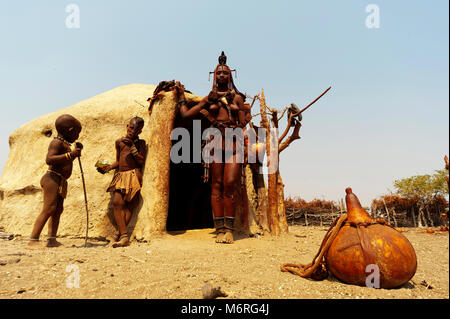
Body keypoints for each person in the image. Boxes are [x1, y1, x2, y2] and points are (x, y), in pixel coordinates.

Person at [176, 52, 249, 244]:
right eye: (219, 73)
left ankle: (230, 229)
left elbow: (243, 123)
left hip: (234, 141)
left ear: (230, 76)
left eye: (225, 73)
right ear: (214, 76)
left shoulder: (238, 98)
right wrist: (182, 96)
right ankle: (220, 229)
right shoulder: (210, 98)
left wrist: (236, 110)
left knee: (231, 183)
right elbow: (186, 114)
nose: (222, 76)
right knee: (216, 185)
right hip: (216, 142)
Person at [26, 114, 83, 250]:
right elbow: (50, 159)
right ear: (69, 130)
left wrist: (75, 154)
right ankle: (33, 240)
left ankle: (52, 240)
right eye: (77, 133)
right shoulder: (56, 143)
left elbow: (65, 160)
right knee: (49, 208)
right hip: (52, 178)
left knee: (58, 210)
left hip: (60, 180)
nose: (77, 136)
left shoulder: (65, 144)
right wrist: (71, 154)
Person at [97, 117, 146, 247]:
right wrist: (106, 168)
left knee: (129, 205)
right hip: (120, 175)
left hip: (133, 175)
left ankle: (120, 235)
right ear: (127, 126)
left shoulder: (141, 143)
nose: (132, 131)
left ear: (139, 132)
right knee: (117, 202)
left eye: (136, 129)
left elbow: (141, 161)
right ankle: (123, 236)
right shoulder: (119, 142)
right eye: (130, 127)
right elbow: (119, 160)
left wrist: (132, 146)